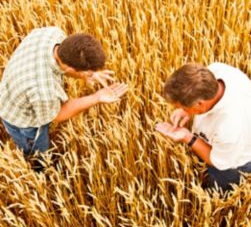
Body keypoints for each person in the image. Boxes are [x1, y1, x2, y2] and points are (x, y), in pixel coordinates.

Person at [0, 26, 128, 160]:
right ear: (68, 67)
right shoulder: (43, 90)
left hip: (11, 86)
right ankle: (38, 170)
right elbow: (58, 114)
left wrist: (88, 74)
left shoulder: (53, 34)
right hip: (18, 117)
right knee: (38, 153)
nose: (90, 75)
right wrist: (97, 97)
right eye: (87, 73)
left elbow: (68, 66)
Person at [156, 62, 251, 191]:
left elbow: (217, 161)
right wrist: (186, 110)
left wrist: (188, 137)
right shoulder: (216, 71)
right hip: (227, 141)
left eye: (182, 107)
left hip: (234, 163)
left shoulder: (229, 128)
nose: (179, 110)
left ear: (200, 104)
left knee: (217, 190)